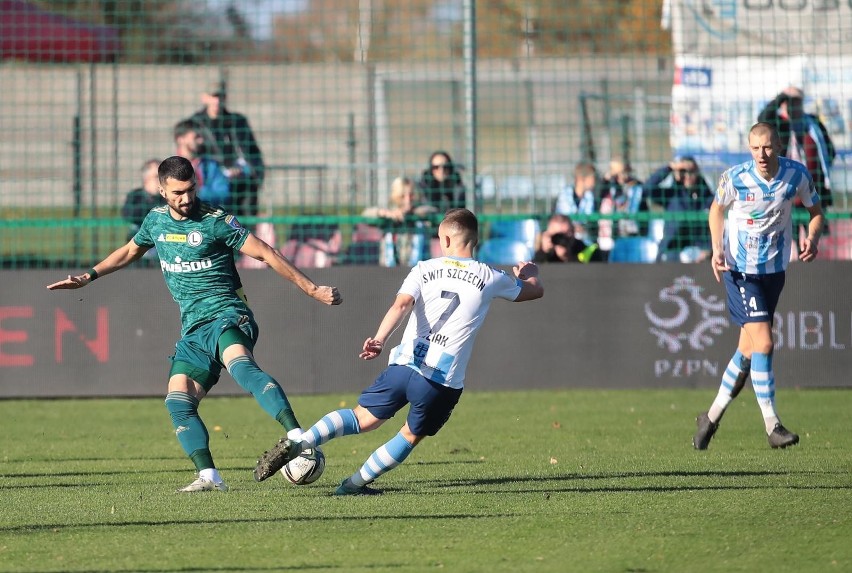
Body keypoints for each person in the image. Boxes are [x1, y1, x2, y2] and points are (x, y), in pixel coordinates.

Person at [46, 156, 342, 492]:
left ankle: (297, 436)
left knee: (241, 366)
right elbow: (129, 251)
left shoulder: (217, 221)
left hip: (228, 313)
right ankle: (209, 477)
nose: (185, 199)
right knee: (177, 400)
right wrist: (89, 276)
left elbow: (267, 253)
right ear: (161, 190)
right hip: (193, 328)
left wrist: (312, 289)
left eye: (190, 190)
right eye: (177, 193)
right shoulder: (155, 222)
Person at [252, 208, 544, 494]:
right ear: (475, 240)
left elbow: (401, 305)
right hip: (440, 380)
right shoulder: (490, 276)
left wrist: (379, 339)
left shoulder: (424, 268)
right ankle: (353, 485)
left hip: (404, 365)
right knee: (409, 435)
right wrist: (531, 274)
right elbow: (533, 291)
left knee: (361, 418)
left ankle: (301, 442)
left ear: (444, 240)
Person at [693, 122, 824, 451]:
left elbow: (816, 212)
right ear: (749, 149)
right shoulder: (735, 177)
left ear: (778, 146)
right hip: (741, 271)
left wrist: (814, 236)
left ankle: (709, 418)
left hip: (774, 271)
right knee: (764, 342)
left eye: (767, 147)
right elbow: (716, 210)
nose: (761, 154)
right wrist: (717, 247)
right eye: (755, 148)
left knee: (748, 350)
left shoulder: (796, 175)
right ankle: (772, 425)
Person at [189, 80, 265, 220]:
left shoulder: (238, 121)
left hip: (243, 182)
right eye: (213, 96)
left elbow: (252, 151)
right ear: (204, 97)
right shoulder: (195, 123)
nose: (217, 101)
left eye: (220, 96)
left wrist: (252, 172)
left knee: (246, 225)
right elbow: (194, 155)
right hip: (213, 183)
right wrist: (222, 170)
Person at [757, 86, 835, 211]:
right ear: (783, 104)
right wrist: (782, 96)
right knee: (790, 230)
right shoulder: (779, 124)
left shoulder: (813, 123)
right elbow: (762, 118)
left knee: (819, 228)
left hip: (814, 191)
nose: (794, 105)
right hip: (786, 191)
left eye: (797, 101)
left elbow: (829, 149)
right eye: (790, 101)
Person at [643, 156, 713, 260]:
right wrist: (670, 168)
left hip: (700, 250)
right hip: (673, 248)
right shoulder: (671, 195)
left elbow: (715, 224)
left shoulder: (706, 197)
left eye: (691, 172)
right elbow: (646, 189)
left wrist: (708, 249)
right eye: (683, 172)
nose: (688, 176)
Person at [362, 176, 438, 267]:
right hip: (389, 268)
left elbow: (433, 212)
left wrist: (414, 213)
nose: (408, 200)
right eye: (402, 196)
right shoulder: (389, 213)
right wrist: (383, 213)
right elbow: (365, 215)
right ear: (395, 196)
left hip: (418, 270)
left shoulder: (421, 211)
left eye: (411, 195)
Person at [173, 119, 231, 210]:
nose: (201, 141)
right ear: (181, 139)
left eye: (201, 137)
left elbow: (223, 193)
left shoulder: (210, 165)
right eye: (196, 137)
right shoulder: (169, 167)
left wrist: (198, 192)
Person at [552, 162, 599, 243]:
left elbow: (588, 220)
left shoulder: (590, 196)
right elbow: (565, 218)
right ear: (582, 179)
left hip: (585, 241)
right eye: (592, 178)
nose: (595, 181)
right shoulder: (565, 194)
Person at [601, 158, 647, 238]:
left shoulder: (637, 186)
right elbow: (598, 195)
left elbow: (643, 207)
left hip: (634, 232)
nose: (621, 176)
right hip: (615, 233)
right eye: (616, 173)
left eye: (623, 172)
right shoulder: (609, 185)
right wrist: (606, 179)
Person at [121, 158, 164, 240]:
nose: (161, 180)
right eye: (157, 177)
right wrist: (150, 199)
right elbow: (128, 215)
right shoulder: (136, 195)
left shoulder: (167, 197)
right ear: (146, 178)